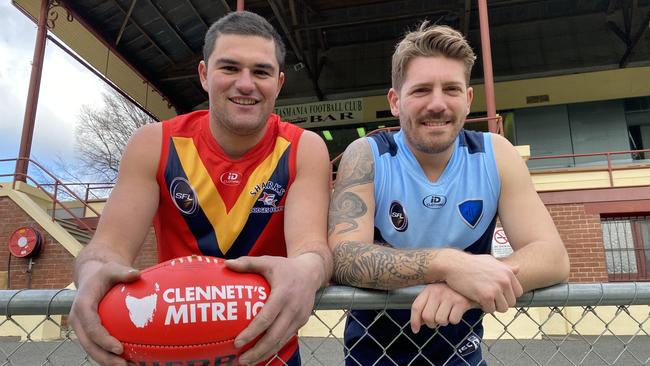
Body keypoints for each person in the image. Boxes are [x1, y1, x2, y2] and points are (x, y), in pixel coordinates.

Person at [69, 11, 332, 366]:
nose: (245, 83)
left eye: (261, 71)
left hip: (269, 354)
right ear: (205, 75)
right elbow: (105, 249)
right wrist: (91, 274)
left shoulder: (304, 147)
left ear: (279, 83)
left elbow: (311, 249)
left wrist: (308, 272)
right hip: (175, 352)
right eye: (229, 68)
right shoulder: (154, 144)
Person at [328, 22, 570, 366]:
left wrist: (468, 286)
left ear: (468, 99)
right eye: (422, 90)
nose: (437, 104)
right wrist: (450, 266)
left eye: (451, 89)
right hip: (373, 356)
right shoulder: (367, 154)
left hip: (462, 356)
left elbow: (553, 257)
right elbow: (344, 256)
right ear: (395, 102)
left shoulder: (496, 154)